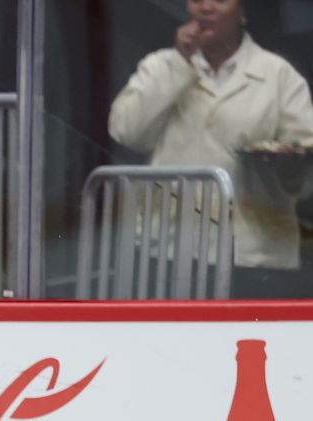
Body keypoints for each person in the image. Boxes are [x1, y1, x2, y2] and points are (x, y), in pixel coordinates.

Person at [108, 0, 313, 297]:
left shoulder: (279, 76)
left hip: (253, 253)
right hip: (169, 247)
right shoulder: (161, 65)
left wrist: (290, 166)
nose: (206, 7)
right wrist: (180, 62)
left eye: (219, 0)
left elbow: (304, 155)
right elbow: (126, 131)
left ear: (242, 12)